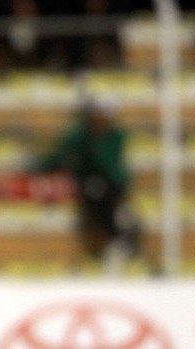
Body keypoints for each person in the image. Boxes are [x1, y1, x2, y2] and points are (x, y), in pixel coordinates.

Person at [37, 97, 140, 272]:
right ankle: (108, 244)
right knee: (96, 196)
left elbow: (108, 165)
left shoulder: (114, 136)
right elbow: (64, 158)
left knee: (110, 206)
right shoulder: (78, 137)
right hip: (87, 184)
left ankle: (118, 243)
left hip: (112, 186)